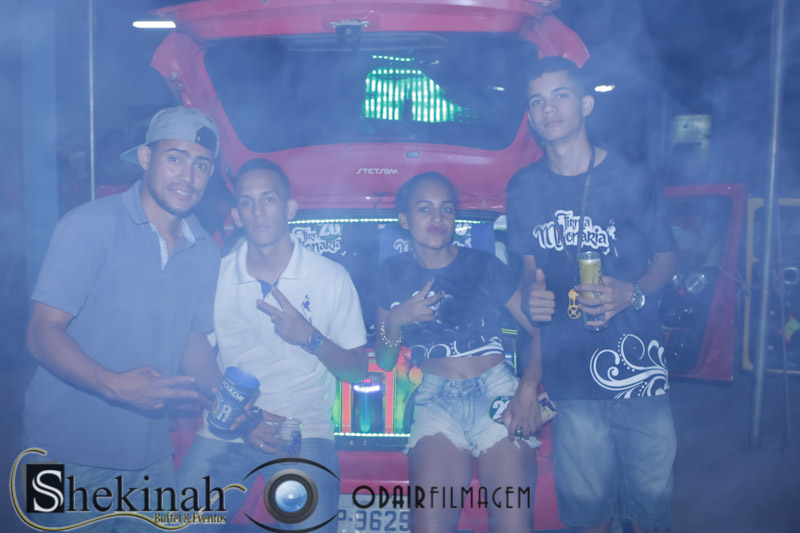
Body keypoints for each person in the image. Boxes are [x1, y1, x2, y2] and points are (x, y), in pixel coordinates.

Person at [22, 106, 223, 529]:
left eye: (201, 164)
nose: (188, 176)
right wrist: (114, 384)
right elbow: (41, 333)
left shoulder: (204, 249)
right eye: (175, 158)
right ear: (146, 158)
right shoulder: (90, 225)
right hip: (59, 457)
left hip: (150, 460)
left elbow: (191, 337)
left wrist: (223, 400)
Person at [506, 56, 678, 533]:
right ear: (530, 115)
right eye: (537, 101)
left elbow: (668, 258)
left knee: (651, 508)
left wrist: (632, 293)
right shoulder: (523, 188)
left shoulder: (631, 176)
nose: (548, 108)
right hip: (571, 376)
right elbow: (531, 281)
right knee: (587, 514)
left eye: (560, 95)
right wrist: (533, 307)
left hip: (640, 371)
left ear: (585, 104)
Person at [177, 159, 368, 532]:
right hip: (226, 426)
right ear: (236, 215)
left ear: (290, 208)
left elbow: (357, 370)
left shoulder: (330, 278)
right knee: (176, 525)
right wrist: (238, 417)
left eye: (269, 199)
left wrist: (310, 337)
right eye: (246, 202)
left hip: (301, 431)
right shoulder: (216, 276)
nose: (258, 210)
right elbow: (193, 352)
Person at [374, 172, 543, 533]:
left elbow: (540, 329)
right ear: (404, 219)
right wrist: (397, 319)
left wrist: (528, 386)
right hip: (435, 402)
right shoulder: (391, 273)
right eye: (425, 209)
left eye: (446, 209)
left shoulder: (484, 265)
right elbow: (385, 359)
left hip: (498, 395)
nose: (437, 218)